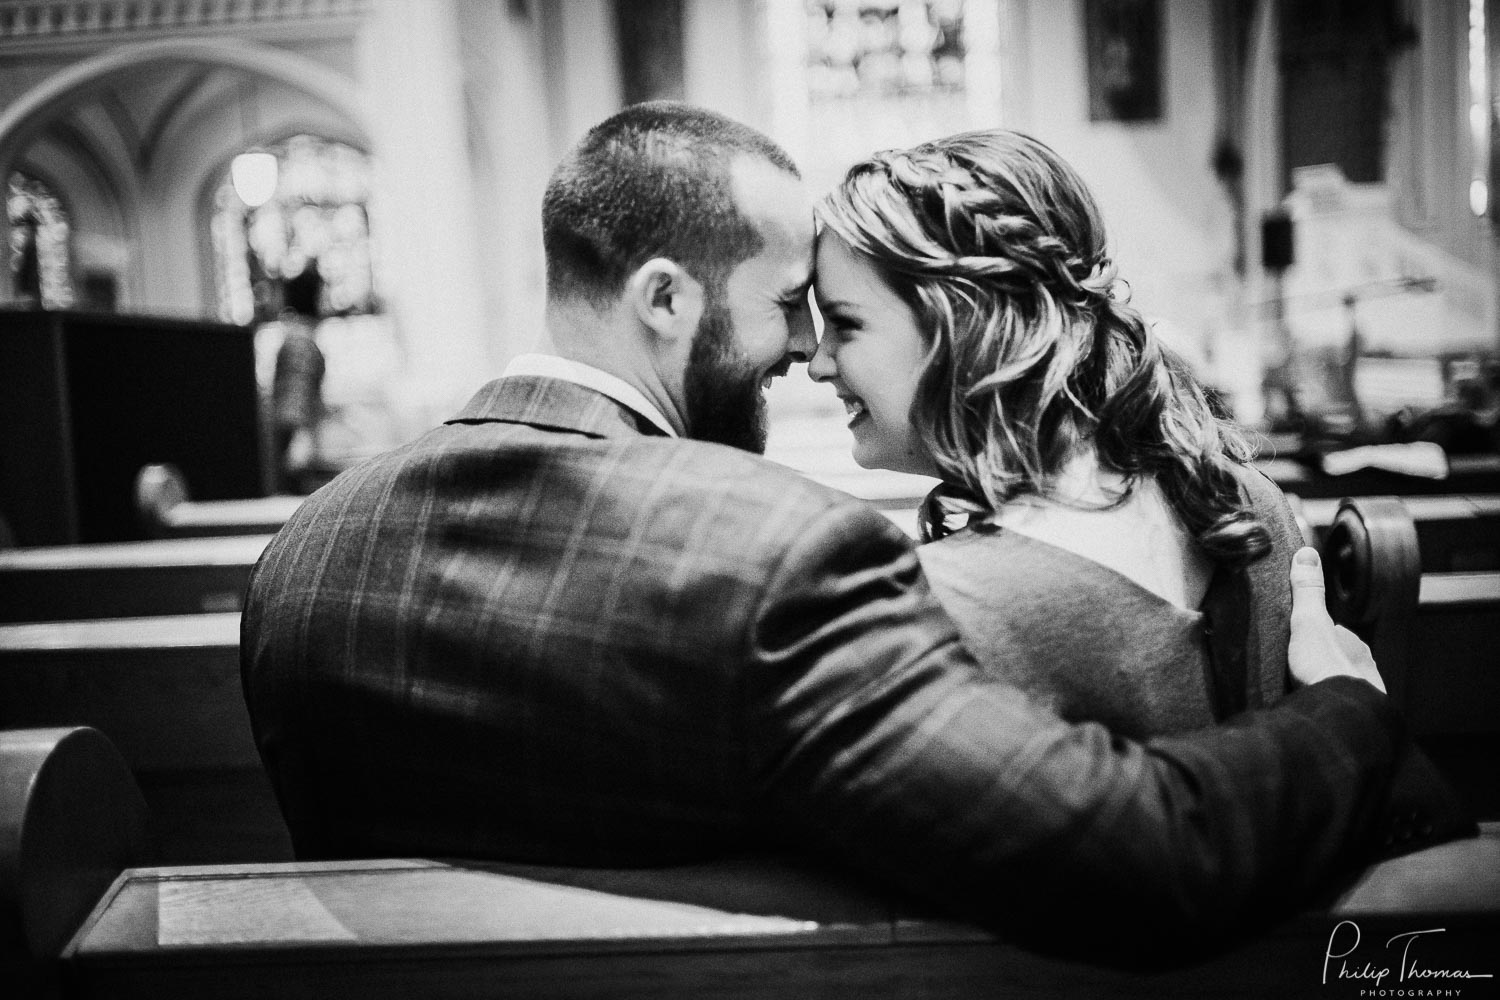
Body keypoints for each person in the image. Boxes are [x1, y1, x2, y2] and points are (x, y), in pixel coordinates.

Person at [240, 102, 1470, 968]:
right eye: (791, 311)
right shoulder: (768, 553)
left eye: (835, 320)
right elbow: (1130, 857)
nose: (804, 355)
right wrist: (1348, 708)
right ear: (664, 298)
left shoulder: (304, 555)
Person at [810, 129, 1301, 737]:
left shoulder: (946, 609)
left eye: (845, 324)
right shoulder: (1250, 504)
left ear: (964, 326)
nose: (817, 360)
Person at [270, 262, 327, 492]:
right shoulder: (301, 342)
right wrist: (300, 439)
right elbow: (295, 396)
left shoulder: (296, 338)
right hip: (295, 448)